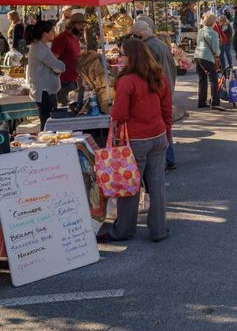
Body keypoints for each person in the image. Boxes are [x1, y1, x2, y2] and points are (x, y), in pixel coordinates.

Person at [98, 38, 171, 243]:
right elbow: (166, 108)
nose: (119, 57)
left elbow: (119, 114)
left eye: (122, 54)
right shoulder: (158, 76)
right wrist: (167, 132)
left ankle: (124, 230)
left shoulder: (127, 81)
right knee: (156, 185)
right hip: (158, 135)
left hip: (136, 140)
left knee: (129, 185)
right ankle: (158, 230)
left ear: (131, 57)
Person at [132, 19, 178, 170]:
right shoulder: (161, 44)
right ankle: (170, 157)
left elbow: (146, 71)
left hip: (158, 88)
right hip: (167, 86)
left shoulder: (148, 47)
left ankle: (166, 158)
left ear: (141, 34)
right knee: (165, 122)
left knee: (160, 125)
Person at [25, 20, 65, 130]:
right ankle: (46, 145)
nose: (53, 33)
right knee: (48, 123)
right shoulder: (40, 48)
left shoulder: (39, 47)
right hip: (44, 91)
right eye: (51, 31)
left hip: (44, 90)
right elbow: (58, 66)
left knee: (47, 121)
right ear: (44, 34)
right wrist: (60, 65)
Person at [51, 12, 86, 106]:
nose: (82, 28)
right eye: (79, 25)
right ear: (71, 25)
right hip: (63, 82)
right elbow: (52, 60)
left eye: (83, 25)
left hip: (73, 80)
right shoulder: (62, 38)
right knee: (66, 111)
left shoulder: (75, 38)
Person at [194, 12, 223, 110]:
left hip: (198, 56)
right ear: (213, 22)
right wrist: (218, 54)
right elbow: (216, 49)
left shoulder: (200, 31)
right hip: (207, 57)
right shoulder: (213, 33)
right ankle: (215, 102)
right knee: (213, 80)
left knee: (202, 80)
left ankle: (201, 101)